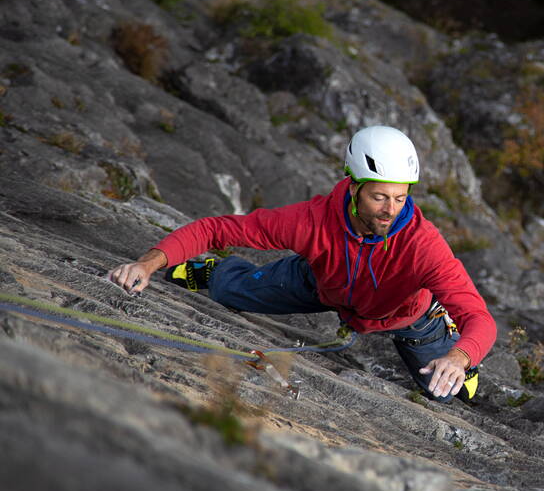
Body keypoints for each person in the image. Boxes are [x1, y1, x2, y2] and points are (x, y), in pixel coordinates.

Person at [108, 125, 495, 402]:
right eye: (379, 197)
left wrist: (460, 357)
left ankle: (449, 343)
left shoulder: (422, 246)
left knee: (447, 391)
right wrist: (148, 264)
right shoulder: (314, 221)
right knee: (227, 289)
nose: (390, 210)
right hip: (322, 283)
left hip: (407, 315)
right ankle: (214, 272)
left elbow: (479, 317)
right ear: (354, 186)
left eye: (399, 198)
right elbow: (217, 230)